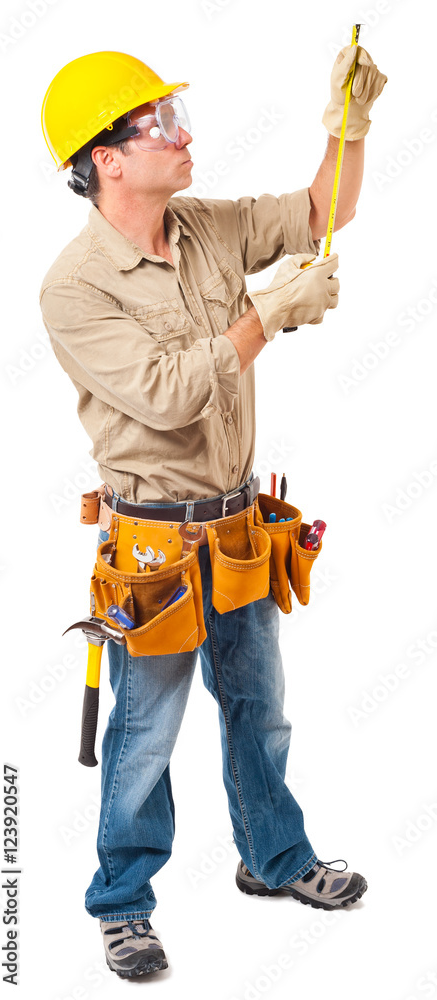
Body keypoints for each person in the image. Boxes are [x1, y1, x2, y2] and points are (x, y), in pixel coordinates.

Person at [40, 46, 387, 979]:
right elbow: (165, 393)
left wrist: (345, 127)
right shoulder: (74, 288)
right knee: (144, 735)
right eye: (158, 123)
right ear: (106, 157)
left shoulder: (203, 229)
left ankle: (272, 859)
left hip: (237, 531)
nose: (182, 133)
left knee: (259, 710)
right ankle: (121, 904)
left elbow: (323, 213)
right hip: (151, 550)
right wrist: (268, 314)